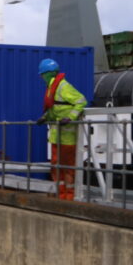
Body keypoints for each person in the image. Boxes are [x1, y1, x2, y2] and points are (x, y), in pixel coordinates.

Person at [37, 58, 87, 199]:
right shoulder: (53, 87)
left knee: (68, 168)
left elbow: (81, 101)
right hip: (56, 137)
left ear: (47, 74)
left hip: (68, 138)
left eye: (42, 75)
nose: (41, 78)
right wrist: (46, 117)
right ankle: (61, 194)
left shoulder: (63, 86)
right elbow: (57, 107)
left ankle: (69, 195)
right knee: (56, 166)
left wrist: (71, 117)